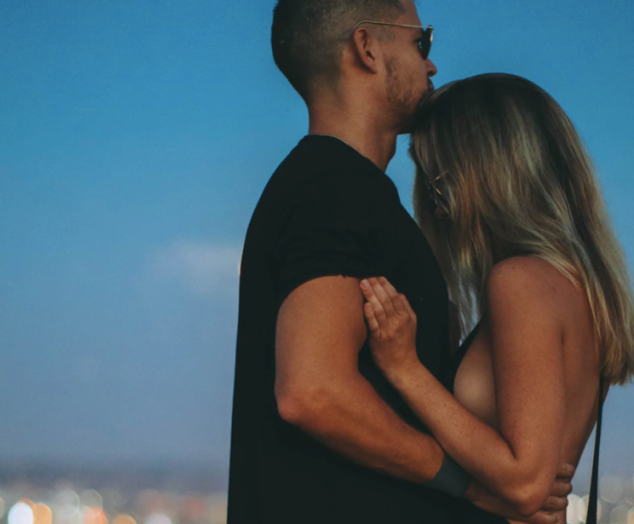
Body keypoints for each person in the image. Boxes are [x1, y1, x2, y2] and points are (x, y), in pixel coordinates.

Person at [226, 2, 574, 523]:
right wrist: (473, 484)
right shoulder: (334, 188)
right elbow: (312, 391)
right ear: (367, 49)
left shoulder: (345, 192)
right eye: (421, 43)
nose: (432, 65)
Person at [355, 73, 634, 524]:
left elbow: (524, 482)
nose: (437, 207)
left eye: (442, 180)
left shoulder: (520, 281)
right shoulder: (583, 288)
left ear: (490, 172)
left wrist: (405, 370)